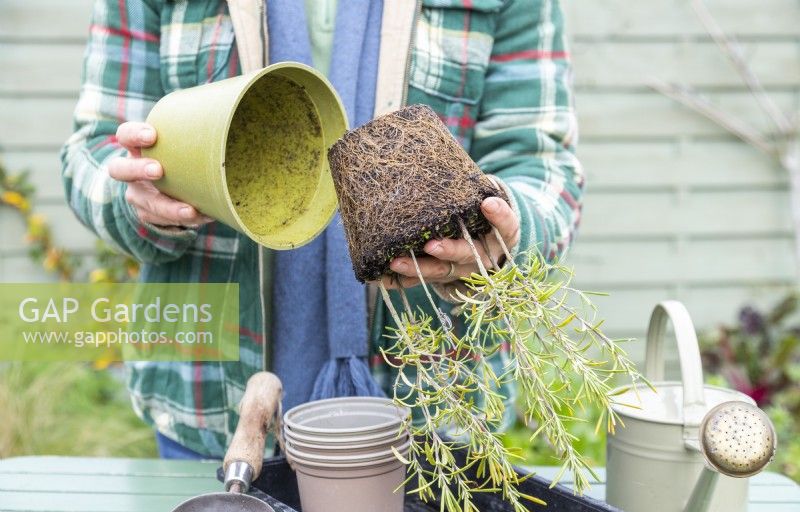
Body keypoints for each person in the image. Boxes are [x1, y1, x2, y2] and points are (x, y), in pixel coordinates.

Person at [61, 0, 584, 459]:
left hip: (434, 414)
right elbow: (94, 151)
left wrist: (505, 234)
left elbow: (543, 168)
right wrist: (139, 197)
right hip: (208, 407)